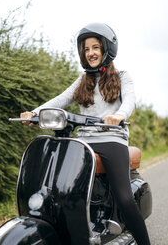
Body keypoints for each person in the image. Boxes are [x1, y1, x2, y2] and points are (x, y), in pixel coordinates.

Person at [20, 23, 151, 245]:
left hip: (111, 139)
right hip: (83, 142)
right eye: (86, 49)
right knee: (64, 190)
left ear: (107, 49)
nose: (90, 53)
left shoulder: (122, 76)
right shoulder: (83, 81)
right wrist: (35, 112)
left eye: (95, 47)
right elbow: (60, 99)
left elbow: (130, 100)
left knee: (125, 198)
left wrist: (118, 115)